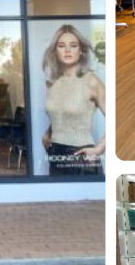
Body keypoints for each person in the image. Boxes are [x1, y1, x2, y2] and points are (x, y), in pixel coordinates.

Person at [42, 25, 106, 176]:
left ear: (80, 50)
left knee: (85, 199)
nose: (67, 50)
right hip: (55, 153)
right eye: (61, 46)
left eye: (73, 45)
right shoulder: (53, 83)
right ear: (55, 51)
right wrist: (48, 134)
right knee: (58, 198)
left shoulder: (91, 81)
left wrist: (99, 149)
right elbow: (60, 114)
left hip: (81, 156)